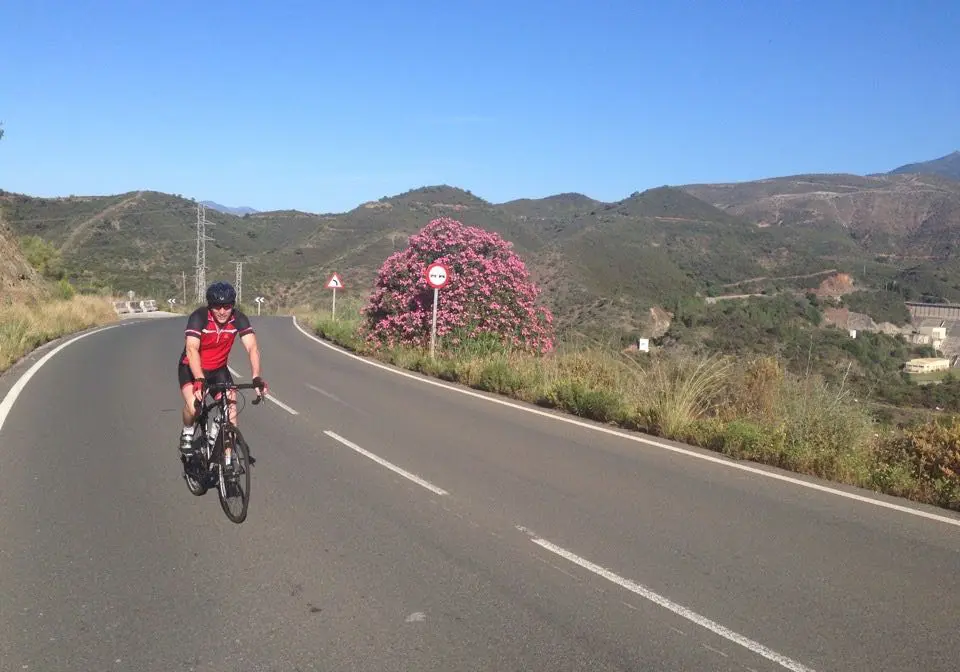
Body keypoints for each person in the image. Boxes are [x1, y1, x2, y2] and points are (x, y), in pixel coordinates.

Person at [177, 281, 267, 455]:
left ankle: (227, 461)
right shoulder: (199, 317)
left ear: (232, 305)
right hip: (191, 369)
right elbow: (191, 349)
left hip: (218, 370)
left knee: (231, 413)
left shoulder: (238, 319)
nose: (222, 311)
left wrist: (256, 377)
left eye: (227, 306)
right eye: (217, 307)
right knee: (194, 408)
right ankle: (187, 430)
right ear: (210, 306)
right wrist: (199, 378)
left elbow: (252, 347)